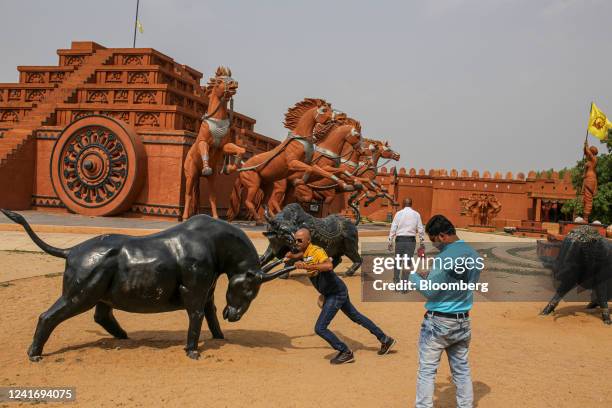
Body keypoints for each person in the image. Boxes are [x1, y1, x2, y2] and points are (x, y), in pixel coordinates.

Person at [286, 228, 395, 364]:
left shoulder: (316, 251)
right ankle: (385, 339)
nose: (296, 242)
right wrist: (292, 257)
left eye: (299, 240)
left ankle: (345, 352)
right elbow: (302, 255)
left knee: (320, 328)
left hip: (336, 293)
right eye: (295, 240)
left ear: (308, 240)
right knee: (356, 316)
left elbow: (328, 265)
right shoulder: (306, 252)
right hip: (335, 291)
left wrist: (306, 266)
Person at [408, 215, 482, 408]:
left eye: (434, 240)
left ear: (442, 236)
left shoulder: (444, 258)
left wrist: (414, 276)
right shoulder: (473, 255)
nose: (435, 245)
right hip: (463, 321)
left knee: (427, 370)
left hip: (438, 322)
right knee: (462, 370)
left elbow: (430, 291)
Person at [388, 198, 425, 283]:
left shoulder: (398, 214)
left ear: (403, 204)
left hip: (400, 240)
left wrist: (390, 241)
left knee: (398, 261)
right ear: (411, 204)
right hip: (411, 241)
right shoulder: (416, 214)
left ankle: (396, 282)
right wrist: (422, 242)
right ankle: (404, 285)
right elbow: (420, 229)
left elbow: (393, 228)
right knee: (407, 263)